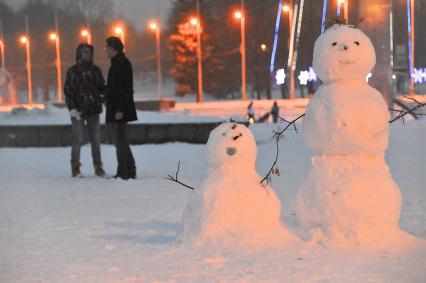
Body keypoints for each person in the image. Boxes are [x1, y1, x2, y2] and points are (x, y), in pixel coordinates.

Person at [64, 43, 106, 177]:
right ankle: (75, 167)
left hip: (93, 110)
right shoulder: (72, 71)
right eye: (84, 52)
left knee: (96, 140)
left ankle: (98, 167)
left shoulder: (96, 70)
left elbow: (101, 88)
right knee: (78, 139)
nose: (87, 54)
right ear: (79, 54)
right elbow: (68, 91)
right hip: (78, 111)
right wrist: (72, 108)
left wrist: (104, 98)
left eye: (89, 52)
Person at [105, 37, 138, 180]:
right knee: (122, 141)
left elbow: (123, 89)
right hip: (117, 107)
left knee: (119, 141)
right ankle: (130, 170)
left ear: (114, 48)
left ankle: (123, 172)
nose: (106, 50)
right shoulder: (118, 63)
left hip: (119, 109)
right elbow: (115, 88)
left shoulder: (121, 64)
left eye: (107, 47)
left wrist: (120, 110)